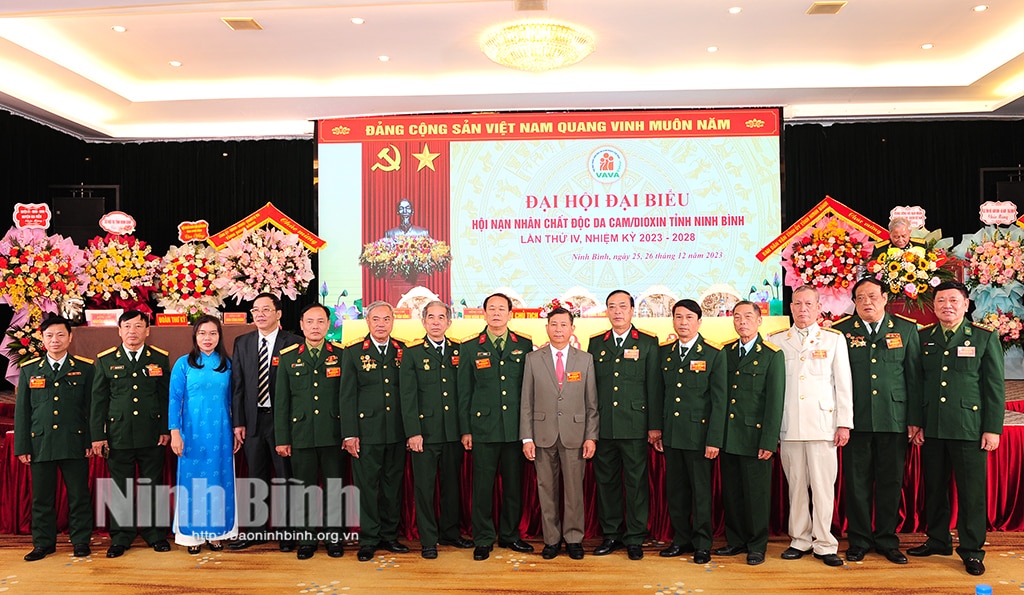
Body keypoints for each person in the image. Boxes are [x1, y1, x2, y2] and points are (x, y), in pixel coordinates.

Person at [907, 280, 1005, 576]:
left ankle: (972, 550)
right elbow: (916, 383)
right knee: (935, 489)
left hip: (969, 428)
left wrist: (992, 428)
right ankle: (938, 540)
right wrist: (916, 422)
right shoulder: (923, 337)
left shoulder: (983, 337)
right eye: (940, 301)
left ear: (965, 304)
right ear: (933, 306)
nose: (946, 305)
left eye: (953, 300)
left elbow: (994, 387)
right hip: (933, 427)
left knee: (971, 493)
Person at [832, 278, 921, 565]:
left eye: (872, 296)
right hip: (855, 420)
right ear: (854, 303)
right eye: (859, 298)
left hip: (893, 420)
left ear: (885, 298)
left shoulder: (906, 330)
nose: (866, 302)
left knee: (890, 482)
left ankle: (886, 540)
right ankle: (858, 540)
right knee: (856, 484)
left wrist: (914, 419)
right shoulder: (841, 332)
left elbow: (914, 378)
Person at [767, 286, 852, 567]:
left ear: (818, 308)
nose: (803, 309)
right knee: (796, 487)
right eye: (798, 304)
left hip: (822, 425)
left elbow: (843, 384)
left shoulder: (833, 339)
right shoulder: (777, 340)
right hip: (788, 425)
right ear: (790, 308)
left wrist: (844, 423)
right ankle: (800, 539)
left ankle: (825, 543)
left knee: (823, 487)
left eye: (809, 304)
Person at [458, 292, 534, 561]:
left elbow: (530, 390)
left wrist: (529, 432)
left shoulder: (524, 345)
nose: (497, 313)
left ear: (510, 313)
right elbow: (464, 392)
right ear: (484, 313)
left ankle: (511, 535)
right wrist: (466, 429)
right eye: (492, 308)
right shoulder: (469, 347)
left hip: (515, 429)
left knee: (514, 485)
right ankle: (483, 538)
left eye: (502, 309)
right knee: (483, 487)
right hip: (483, 429)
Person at [587, 289, 662, 560]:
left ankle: (634, 538)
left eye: (622, 306)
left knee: (636, 484)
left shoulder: (647, 343)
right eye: (611, 307)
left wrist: (654, 426)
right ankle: (611, 534)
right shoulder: (596, 343)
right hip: (604, 426)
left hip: (635, 425)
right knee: (606, 482)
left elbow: (654, 387)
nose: (617, 311)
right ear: (606, 311)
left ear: (632, 310)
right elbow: (591, 388)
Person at [91, 310, 172, 557]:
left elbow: (164, 396)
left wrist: (164, 429)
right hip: (119, 434)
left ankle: (154, 533)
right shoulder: (105, 360)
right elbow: (98, 400)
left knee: (152, 485)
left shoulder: (159, 358)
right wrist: (97, 435)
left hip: (151, 434)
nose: (132, 331)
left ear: (148, 330)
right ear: (119, 330)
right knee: (121, 487)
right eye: (127, 327)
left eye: (138, 326)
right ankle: (121, 536)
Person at [521, 307, 599, 560]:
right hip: (542, 434)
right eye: (554, 324)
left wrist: (591, 436)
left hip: (575, 435)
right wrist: (527, 437)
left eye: (563, 325)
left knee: (575, 490)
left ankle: (574, 538)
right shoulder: (533, 359)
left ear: (572, 329)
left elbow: (592, 403)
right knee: (547, 489)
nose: (558, 329)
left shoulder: (585, 359)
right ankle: (552, 540)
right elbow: (526, 401)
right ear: (547, 328)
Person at [15, 316, 95, 561]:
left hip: (75, 442)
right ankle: (43, 543)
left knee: (79, 496)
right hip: (41, 443)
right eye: (49, 335)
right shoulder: (29, 370)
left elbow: (91, 408)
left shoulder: (85, 368)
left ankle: (81, 541)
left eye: (60, 335)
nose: (55, 340)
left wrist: (92, 441)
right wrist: (22, 446)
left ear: (70, 337)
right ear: (42, 339)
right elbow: (22, 412)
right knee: (42, 498)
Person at [400, 300, 474, 559]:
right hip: (425, 434)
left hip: (452, 432)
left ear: (449, 322)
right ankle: (428, 539)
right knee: (425, 488)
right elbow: (407, 396)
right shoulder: (412, 352)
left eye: (441, 317)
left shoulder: (459, 350)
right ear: (423, 322)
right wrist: (413, 432)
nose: (435, 322)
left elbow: (464, 394)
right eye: (430, 317)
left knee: (452, 486)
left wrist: (465, 430)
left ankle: (450, 533)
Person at [654, 299, 726, 565]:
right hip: (672, 436)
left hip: (699, 437)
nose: (683, 322)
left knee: (700, 492)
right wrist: (659, 431)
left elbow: (719, 401)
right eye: (678, 317)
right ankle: (681, 539)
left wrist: (714, 439)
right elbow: (660, 394)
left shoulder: (713, 354)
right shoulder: (665, 353)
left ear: (699, 322)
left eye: (688, 317)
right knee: (677, 492)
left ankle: (702, 543)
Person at [714, 301, 785, 566]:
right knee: (732, 493)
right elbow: (721, 397)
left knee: (756, 495)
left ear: (759, 321)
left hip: (755, 438)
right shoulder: (726, 351)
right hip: (729, 436)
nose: (742, 321)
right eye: (737, 317)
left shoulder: (771, 354)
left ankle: (757, 545)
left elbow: (774, 401)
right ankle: (736, 540)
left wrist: (768, 440)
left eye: (747, 316)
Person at [230, 292, 302, 551]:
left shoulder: (293, 342)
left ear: (279, 313)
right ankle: (255, 532)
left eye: (265, 309)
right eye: (255, 310)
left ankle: (287, 534)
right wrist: (238, 422)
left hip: (282, 422)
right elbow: (237, 386)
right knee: (255, 478)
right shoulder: (243, 342)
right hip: (252, 422)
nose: (259, 314)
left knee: (285, 478)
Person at [340, 301, 410, 562]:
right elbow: (346, 396)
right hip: (366, 433)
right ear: (367, 322)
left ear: (393, 321)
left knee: (393, 487)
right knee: (367, 487)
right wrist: (349, 434)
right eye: (376, 319)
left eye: (386, 319)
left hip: (397, 432)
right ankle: (368, 538)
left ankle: (389, 536)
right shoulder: (355, 351)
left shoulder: (403, 350)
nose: (381, 324)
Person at [275, 303, 345, 560]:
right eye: (310, 322)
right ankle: (307, 539)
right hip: (301, 434)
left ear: (329, 325)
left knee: (334, 488)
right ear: (301, 325)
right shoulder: (289, 356)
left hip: (333, 433)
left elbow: (346, 399)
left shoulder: (341, 353)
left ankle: (334, 538)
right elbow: (282, 401)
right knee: (304, 489)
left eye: (320, 322)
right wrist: (283, 438)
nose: (315, 327)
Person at [169, 315, 239, 554]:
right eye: (202, 333)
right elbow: (174, 400)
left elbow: (234, 401)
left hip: (220, 433)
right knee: (194, 483)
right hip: (191, 434)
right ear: (194, 336)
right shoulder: (183, 364)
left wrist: (237, 430)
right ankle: (193, 536)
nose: (207, 338)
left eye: (212, 333)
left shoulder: (227, 364)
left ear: (219, 336)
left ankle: (217, 533)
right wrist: (175, 433)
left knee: (219, 481)